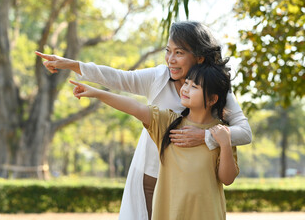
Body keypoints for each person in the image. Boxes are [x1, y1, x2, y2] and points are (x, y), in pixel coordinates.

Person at [36, 21, 252, 220]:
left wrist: (205, 136)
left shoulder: (214, 90)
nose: (170, 59)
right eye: (168, 51)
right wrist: (74, 65)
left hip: (192, 181)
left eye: (179, 52)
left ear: (199, 57)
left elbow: (244, 132)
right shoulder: (159, 79)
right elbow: (121, 80)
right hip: (151, 175)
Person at [69, 61, 239, 220]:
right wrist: (97, 93)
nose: (186, 89)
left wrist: (224, 143)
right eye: (186, 83)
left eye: (194, 86)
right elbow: (135, 107)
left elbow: (227, 179)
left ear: (212, 99)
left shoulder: (221, 132)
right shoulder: (168, 122)